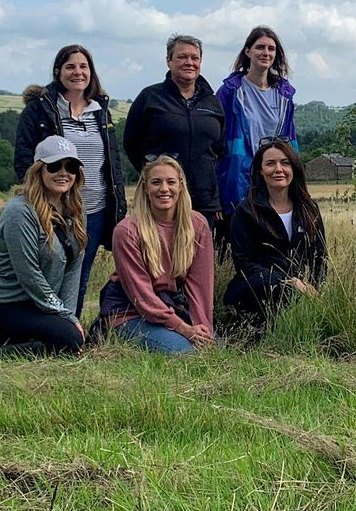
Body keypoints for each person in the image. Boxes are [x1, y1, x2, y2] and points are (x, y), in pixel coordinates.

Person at [15, 45, 126, 315]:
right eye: (70, 66)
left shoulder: (101, 112)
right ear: (58, 72)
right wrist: (38, 202)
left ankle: (69, 330)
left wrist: (119, 205)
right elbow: (23, 161)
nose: (78, 72)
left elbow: (112, 164)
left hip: (94, 210)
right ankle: (40, 329)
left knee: (79, 275)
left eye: (83, 66)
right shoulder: (40, 111)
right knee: (47, 271)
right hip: (53, 210)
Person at [0, 136, 87, 358]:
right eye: (54, 166)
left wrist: (69, 316)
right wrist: (63, 316)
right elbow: (29, 274)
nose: (63, 173)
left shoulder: (76, 210)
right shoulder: (20, 212)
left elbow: (74, 268)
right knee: (68, 340)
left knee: (70, 337)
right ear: (39, 171)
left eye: (71, 167)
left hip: (36, 306)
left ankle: (18, 344)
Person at [98, 156, 217, 354]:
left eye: (171, 182)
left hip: (171, 304)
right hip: (131, 310)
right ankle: (115, 333)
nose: (164, 189)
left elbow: (201, 286)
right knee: (185, 352)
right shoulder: (126, 231)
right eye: (156, 182)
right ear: (145, 188)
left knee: (213, 347)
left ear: (181, 186)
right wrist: (183, 328)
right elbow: (141, 296)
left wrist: (202, 329)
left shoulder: (198, 225)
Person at [224, 139, 327, 341]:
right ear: (260, 171)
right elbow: (244, 264)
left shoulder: (309, 209)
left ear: (294, 168)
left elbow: (320, 258)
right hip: (257, 292)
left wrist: (313, 288)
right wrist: (288, 282)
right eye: (270, 163)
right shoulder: (245, 211)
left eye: (285, 162)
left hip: (303, 294)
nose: (278, 169)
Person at [124, 35, 225, 228]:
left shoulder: (212, 102)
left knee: (199, 256)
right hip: (162, 199)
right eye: (182, 57)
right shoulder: (150, 98)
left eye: (195, 58)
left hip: (204, 201)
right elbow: (131, 144)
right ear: (169, 61)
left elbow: (219, 149)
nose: (189, 63)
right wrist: (153, 175)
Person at [216, 26, 300, 220]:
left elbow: (291, 145)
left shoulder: (284, 95)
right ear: (248, 51)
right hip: (238, 178)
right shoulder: (230, 92)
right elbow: (217, 143)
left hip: (273, 177)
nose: (266, 53)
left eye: (271, 49)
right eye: (260, 47)